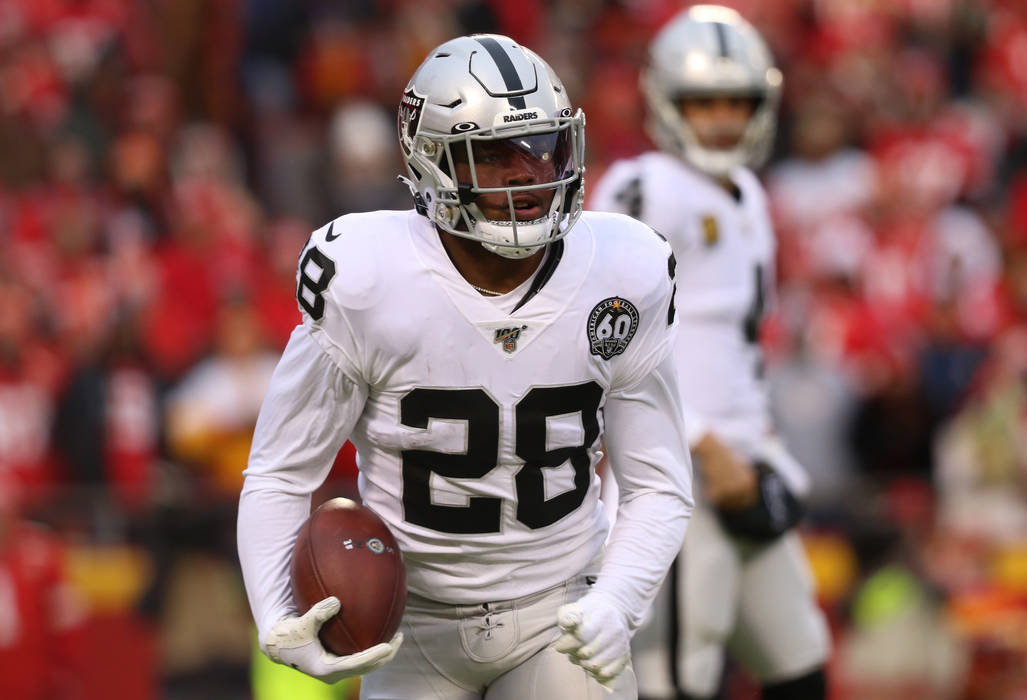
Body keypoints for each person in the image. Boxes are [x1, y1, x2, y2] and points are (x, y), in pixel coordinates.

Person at [238, 34, 694, 699]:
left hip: (558, 610)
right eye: (494, 154)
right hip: (407, 628)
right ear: (431, 161)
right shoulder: (367, 276)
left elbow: (657, 482)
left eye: (543, 147)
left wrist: (615, 602)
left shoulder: (624, 269)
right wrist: (277, 610)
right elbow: (281, 470)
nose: (529, 174)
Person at [590, 7, 830, 700]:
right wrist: (699, 439)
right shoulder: (644, 187)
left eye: (737, 100)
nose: (723, 117)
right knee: (677, 675)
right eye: (705, 101)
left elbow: (734, 342)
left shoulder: (751, 193)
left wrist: (754, 436)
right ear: (666, 101)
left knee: (800, 661)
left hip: (747, 461)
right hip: (678, 473)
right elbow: (607, 336)